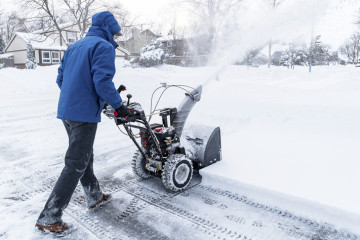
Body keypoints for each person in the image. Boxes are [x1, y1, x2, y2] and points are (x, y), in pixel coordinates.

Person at [35, 11, 128, 233]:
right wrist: (119, 106)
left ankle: (94, 195)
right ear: (107, 29)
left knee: (84, 156)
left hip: (67, 111)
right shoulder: (103, 47)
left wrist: (76, 98)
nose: (115, 38)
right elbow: (102, 82)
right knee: (75, 163)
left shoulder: (74, 47)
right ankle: (49, 217)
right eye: (114, 34)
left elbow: (61, 78)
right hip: (83, 115)